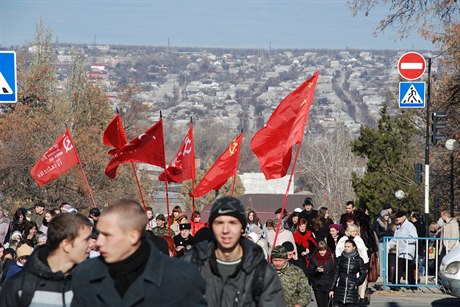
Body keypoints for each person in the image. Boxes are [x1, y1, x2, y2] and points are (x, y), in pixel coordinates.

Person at [71, 199, 206, 306]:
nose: (99, 242)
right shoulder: (85, 274)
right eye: (99, 234)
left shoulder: (183, 277)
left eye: (107, 235)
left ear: (133, 236)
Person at [185, 196, 286, 306]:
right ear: (211, 226)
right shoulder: (192, 263)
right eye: (219, 223)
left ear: (242, 228)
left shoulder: (261, 272)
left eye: (233, 223)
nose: (225, 230)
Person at [0, 213, 93, 306]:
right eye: (86, 240)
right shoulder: (19, 287)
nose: (91, 245)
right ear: (66, 245)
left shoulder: (86, 283)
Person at [329, 239, 367, 307]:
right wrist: (332, 288)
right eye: (345, 246)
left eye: (348, 246)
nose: (346, 248)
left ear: (354, 247)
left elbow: (363, 273)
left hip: (352, 289)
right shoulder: (340, 259)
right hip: (341, 287)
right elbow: (336, 274)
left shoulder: (358, 260)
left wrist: (356, 282)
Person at [388, 210, 418, 286]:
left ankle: (396, 284)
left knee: (403, 267)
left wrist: (405, 240)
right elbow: (395, 239)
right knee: (405, 268)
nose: (397, 218)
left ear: (404, 217)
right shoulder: (398, 227)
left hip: (408, 250)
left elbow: (415, 238)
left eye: (399, 217)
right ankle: (410, 284)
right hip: (401, 251)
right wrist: (388, 245)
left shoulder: (410, 226)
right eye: (397, 217)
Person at [307, 241, 335, 307]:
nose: (322, 252)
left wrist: (332, 288)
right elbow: (310, 272)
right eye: (320, 250)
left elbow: (335, 273)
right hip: (318, 287)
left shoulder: (332, 257)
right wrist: (316, 270)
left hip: (329, 286)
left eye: (323, 250)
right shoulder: (314, 258)